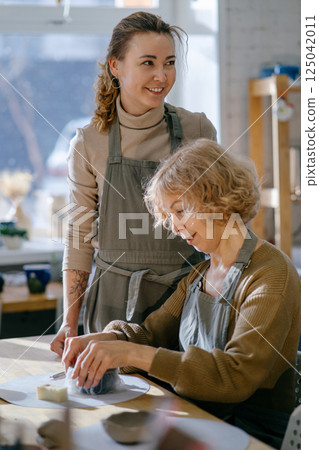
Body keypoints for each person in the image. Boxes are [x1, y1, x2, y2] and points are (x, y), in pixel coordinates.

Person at [62, 138, 301, 449]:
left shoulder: (272, 274)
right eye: (169, 215)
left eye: (181, 210)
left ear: (219, 197)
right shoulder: (199, 274)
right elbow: (152, 334)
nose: (174, 227)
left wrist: (131, 354)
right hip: (200, 420)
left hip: (253, 433)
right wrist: (110, 340)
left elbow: (236, 376)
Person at [50, 11, 217, 357]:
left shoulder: (197, 130)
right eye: (148, 63)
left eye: (169, 62)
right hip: (110, 304)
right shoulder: (90, 142)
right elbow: (79, 237)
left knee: (179, 405)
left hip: (183, 304)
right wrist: (70, 322)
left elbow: (219, 221)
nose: (162, 75)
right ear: (116, 66)